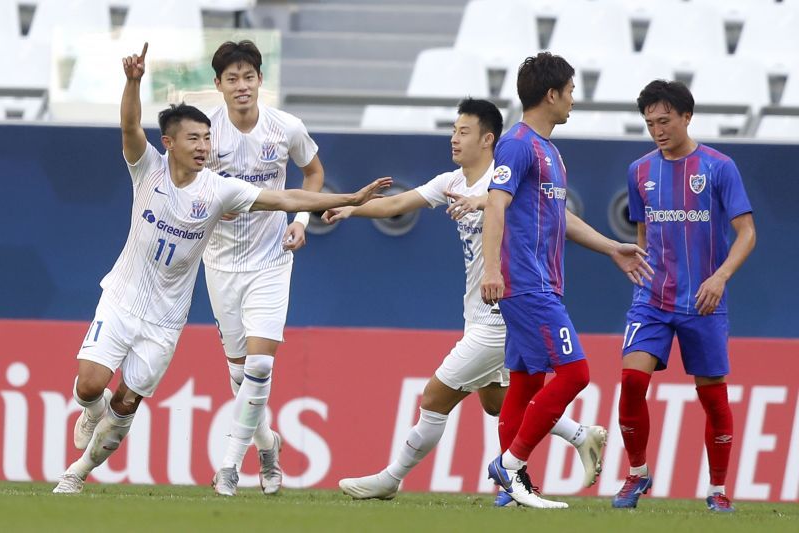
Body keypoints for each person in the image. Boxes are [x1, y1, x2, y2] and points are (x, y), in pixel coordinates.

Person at [52, 43, 390, 494]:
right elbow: (131, 125)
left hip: (188, 306)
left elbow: (288, 197)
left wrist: (346, 198)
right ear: (169, 143)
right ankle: (92, 411)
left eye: (206, 140)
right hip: (130, 295)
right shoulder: (147, 169)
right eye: (194, 140)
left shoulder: (223, 187)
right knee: (91, 385)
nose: (204, 147)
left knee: (145, 396)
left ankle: (80, 472)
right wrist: (133, 81)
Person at [324, 98, 607, 505]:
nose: (454, 138)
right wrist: (350, 208)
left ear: (488, 138)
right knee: (498, 403)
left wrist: (610, 246)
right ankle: (581, 436)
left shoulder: (506, 177)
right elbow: (398, 203)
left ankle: (391, 478)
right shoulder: (451, 181)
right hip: (475, 313)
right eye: (453, 130)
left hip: (502, 312)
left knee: (435, 398)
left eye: (464, 131)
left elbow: (556, 216)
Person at [480, 52, 654, 509]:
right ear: (552, 94)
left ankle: (511, 491)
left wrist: (611, 247)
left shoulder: (551, 152)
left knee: (524, 381)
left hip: (542, 282)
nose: (574, 99)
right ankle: (511, 466)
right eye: (571, 91)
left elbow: (561, 218)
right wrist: (492, 270)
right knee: (576, 373)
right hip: (525, 283)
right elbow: (495, 204)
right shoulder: (517, 145)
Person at [612, 80, 756, 513]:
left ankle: (717, 489)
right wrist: (642, 270)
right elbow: (643, 233)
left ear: (686, 116)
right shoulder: (639, 171)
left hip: (704, 300)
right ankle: (637, 473)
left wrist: (720, 278)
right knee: (632, 382)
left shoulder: (719, 167)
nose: (657, 129)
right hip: (652, 298)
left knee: (712, 396)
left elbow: (747, 233)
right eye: (650, 122)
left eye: (665, 120)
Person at [200, 40, 325, 497]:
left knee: (258, 364)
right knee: (240, 376)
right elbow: (184, 182)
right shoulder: (205, 133)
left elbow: (313, 174)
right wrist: (212, 207)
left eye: (247, 77)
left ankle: (229, 466)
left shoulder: (285, 127)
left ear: (259, 80)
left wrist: (300, 219)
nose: (241, 86)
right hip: (220, 263)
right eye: (231, 79)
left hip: (273, 260)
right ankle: (268, 443)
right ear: (218, 85)